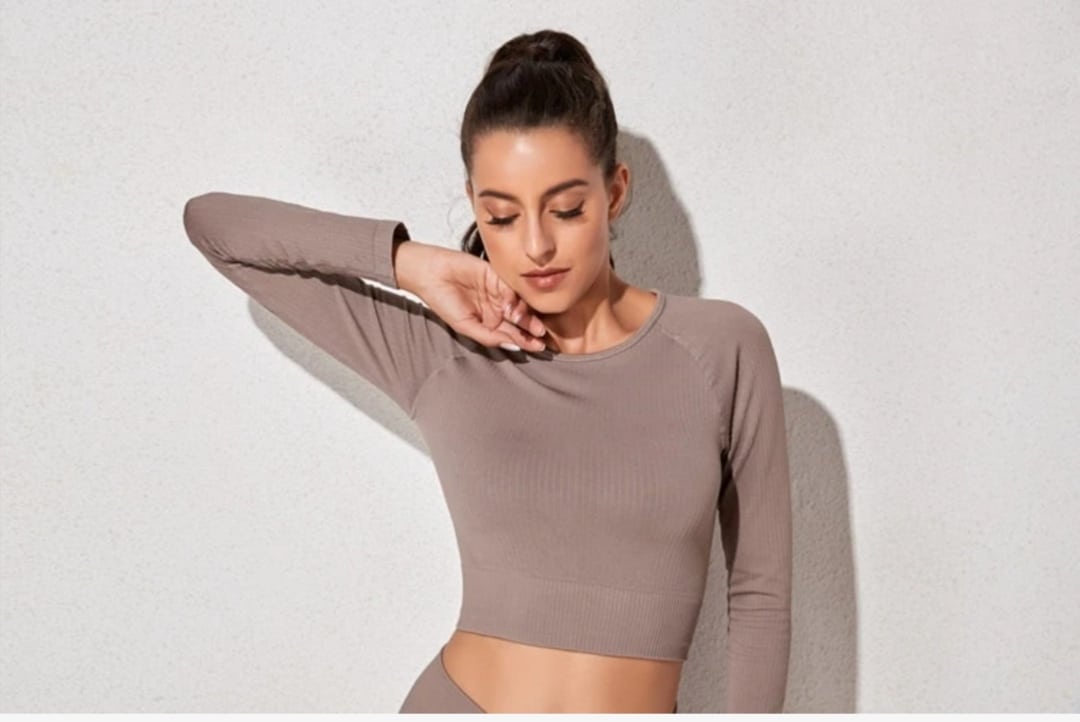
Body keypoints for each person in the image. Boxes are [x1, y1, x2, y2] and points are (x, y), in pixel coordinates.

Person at [182, 28, 792, 715]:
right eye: (501, 216)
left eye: (566, 209)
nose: (536, 245)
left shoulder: (720, 350)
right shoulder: (443, 352)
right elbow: (214, 227)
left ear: (616, 191)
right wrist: (410, 263)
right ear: (474, 204)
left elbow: (761, 598)